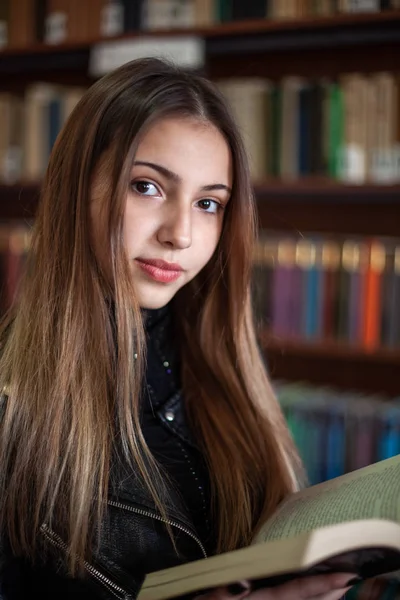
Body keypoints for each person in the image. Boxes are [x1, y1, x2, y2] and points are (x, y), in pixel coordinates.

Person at [0, 57, 357, 600]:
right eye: (146, 187)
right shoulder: (10, 403)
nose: (182, 234)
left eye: (209, 203)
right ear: (77, 189)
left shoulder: (224, 363)